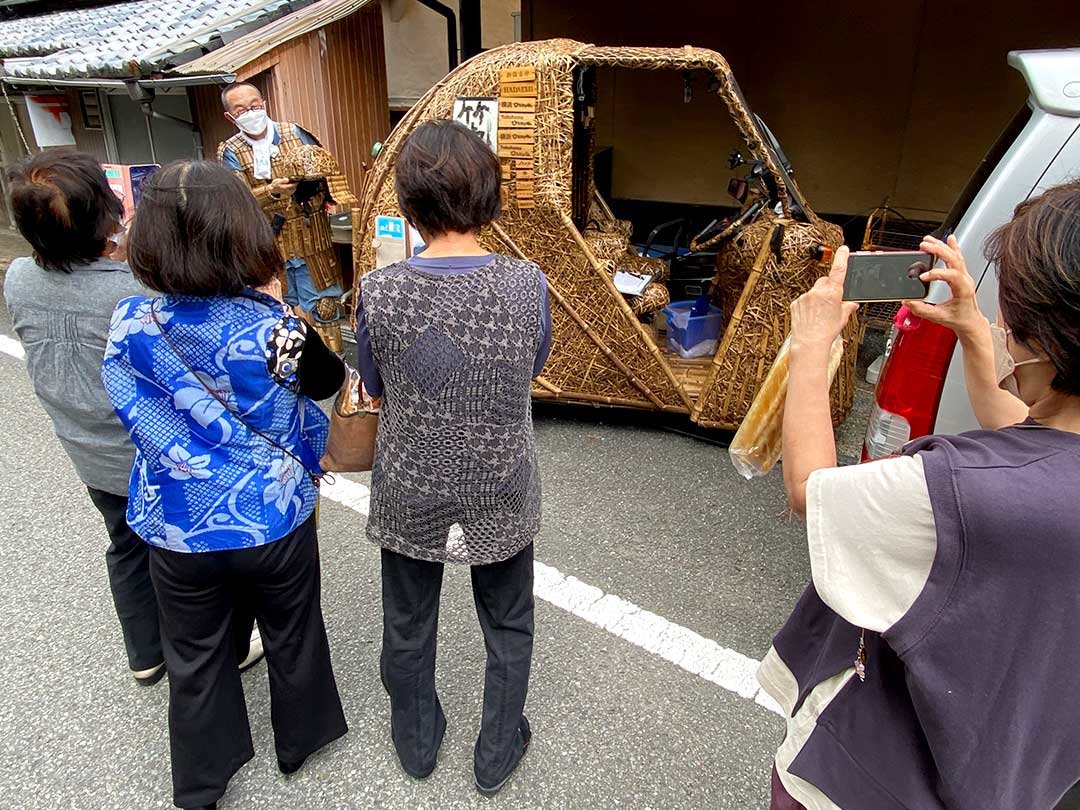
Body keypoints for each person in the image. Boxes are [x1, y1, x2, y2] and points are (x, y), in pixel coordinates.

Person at [761, 181, 1080, 810]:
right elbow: (1030, 433)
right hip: (1027, 773)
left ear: (1041, 336)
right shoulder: (1050, 472)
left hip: (870, 783)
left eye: (1006, 312)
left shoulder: (957, 488)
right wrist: (973, 334)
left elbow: (811, 489)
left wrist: (812, 343)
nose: (999, 321)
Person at [101, 160, 348, 810]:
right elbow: (325, 384)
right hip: (273, 514)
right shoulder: (275, 328)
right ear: (244, 235)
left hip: (178, 524)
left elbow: (125, 406)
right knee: (292, 629)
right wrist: (280, 310)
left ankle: (203, 785)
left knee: (195, 655)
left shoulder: (130, 323)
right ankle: (299, 743)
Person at [355, 119, 552, 796]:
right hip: (500, 476)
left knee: (407, 622)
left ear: (409, 204)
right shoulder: (528, 284)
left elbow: (373, 388)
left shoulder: (379, 291)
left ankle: (416, 740)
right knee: (508, 621)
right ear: (490, 197)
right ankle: (497, 750)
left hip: (411, 478)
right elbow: (530, 366)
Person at [3, 151, 170, 685]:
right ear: (107, 215)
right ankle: (221, 646)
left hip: (84, 449)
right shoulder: (129, 292)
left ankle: (146, 654)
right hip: (147, 455)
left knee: (125, 545)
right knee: (181, 553)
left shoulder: (20, 277)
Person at [218, 82, 354, 353]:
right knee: (277, 310)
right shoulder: (231, 151)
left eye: (254, 106)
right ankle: (292, 368)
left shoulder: (295, 134)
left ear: (264, 104)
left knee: (325, 308)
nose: (250, 112)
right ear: (230, 116)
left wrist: (314, 186)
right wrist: (271, 191)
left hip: (311, 239)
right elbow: (236, 199)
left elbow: (331, 175)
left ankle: (336, 372)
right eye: (241, 109)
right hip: (268, 245)